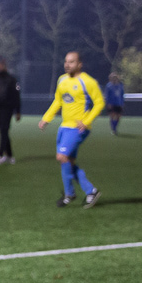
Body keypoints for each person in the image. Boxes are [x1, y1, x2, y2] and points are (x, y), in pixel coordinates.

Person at [39, 49, 104, 208]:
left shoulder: (88, 82)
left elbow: (100, 102)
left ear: (79, 64)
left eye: (71, 62)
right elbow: (58, 101)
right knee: (67, 162)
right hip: (64, 127)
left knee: (61, 157)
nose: (67, 65)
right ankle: (87, 192)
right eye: (66, 61)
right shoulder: (62, 80)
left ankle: (73, 193)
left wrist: (86, 121)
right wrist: (46, 118)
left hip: (78, 129)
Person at [0, 58, 21, 164]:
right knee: (2, 130)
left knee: (4, 130)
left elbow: (16, 96)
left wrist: (18, 111)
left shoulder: (11, 80)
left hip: (7, 108)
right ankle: (10, 156)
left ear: (5, 66)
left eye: (1, 65)